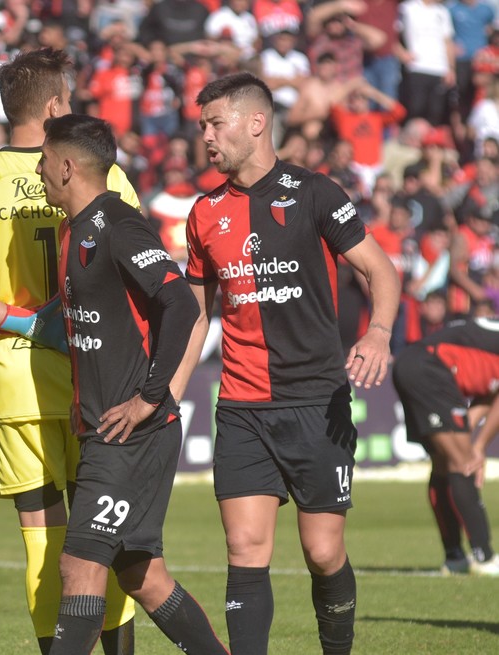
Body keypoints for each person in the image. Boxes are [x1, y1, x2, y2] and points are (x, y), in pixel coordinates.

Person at [174, 72, 401, 655]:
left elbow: (381, 270)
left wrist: (377, 334)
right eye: (202, 127)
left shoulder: (317, 194)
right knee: (245, 549)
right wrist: (168, 394)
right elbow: (196, 317)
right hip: (244, 407)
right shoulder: (203, 214)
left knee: (323, 552)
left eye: (215, 123)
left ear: (257, 123)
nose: (206, 137)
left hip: (315, 402)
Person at [0, 47, 138, 655]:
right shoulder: (103, 171)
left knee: (43, 541)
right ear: (52, 107)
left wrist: (24, 322)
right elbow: (138, 265)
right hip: (97, 377)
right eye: (68, 100)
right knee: (105, 536)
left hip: (19, 382)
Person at [35, 114, 225, 655]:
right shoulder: (75, 229)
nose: (41, 173)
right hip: (107, 427)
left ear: (68, 166)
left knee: (79, 565)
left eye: (45, 162)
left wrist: (149, 397)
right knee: (143, 576)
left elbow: (181, 303)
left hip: (130, 431)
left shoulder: (118, 223)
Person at [392, 318, 499, 575]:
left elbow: (490, 395)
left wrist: (469, 434)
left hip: (413, 364)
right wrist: (479, 446)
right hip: (429, 367)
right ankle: (483, 557)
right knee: (464, 464)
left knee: (444, 466)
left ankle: (455, 557)